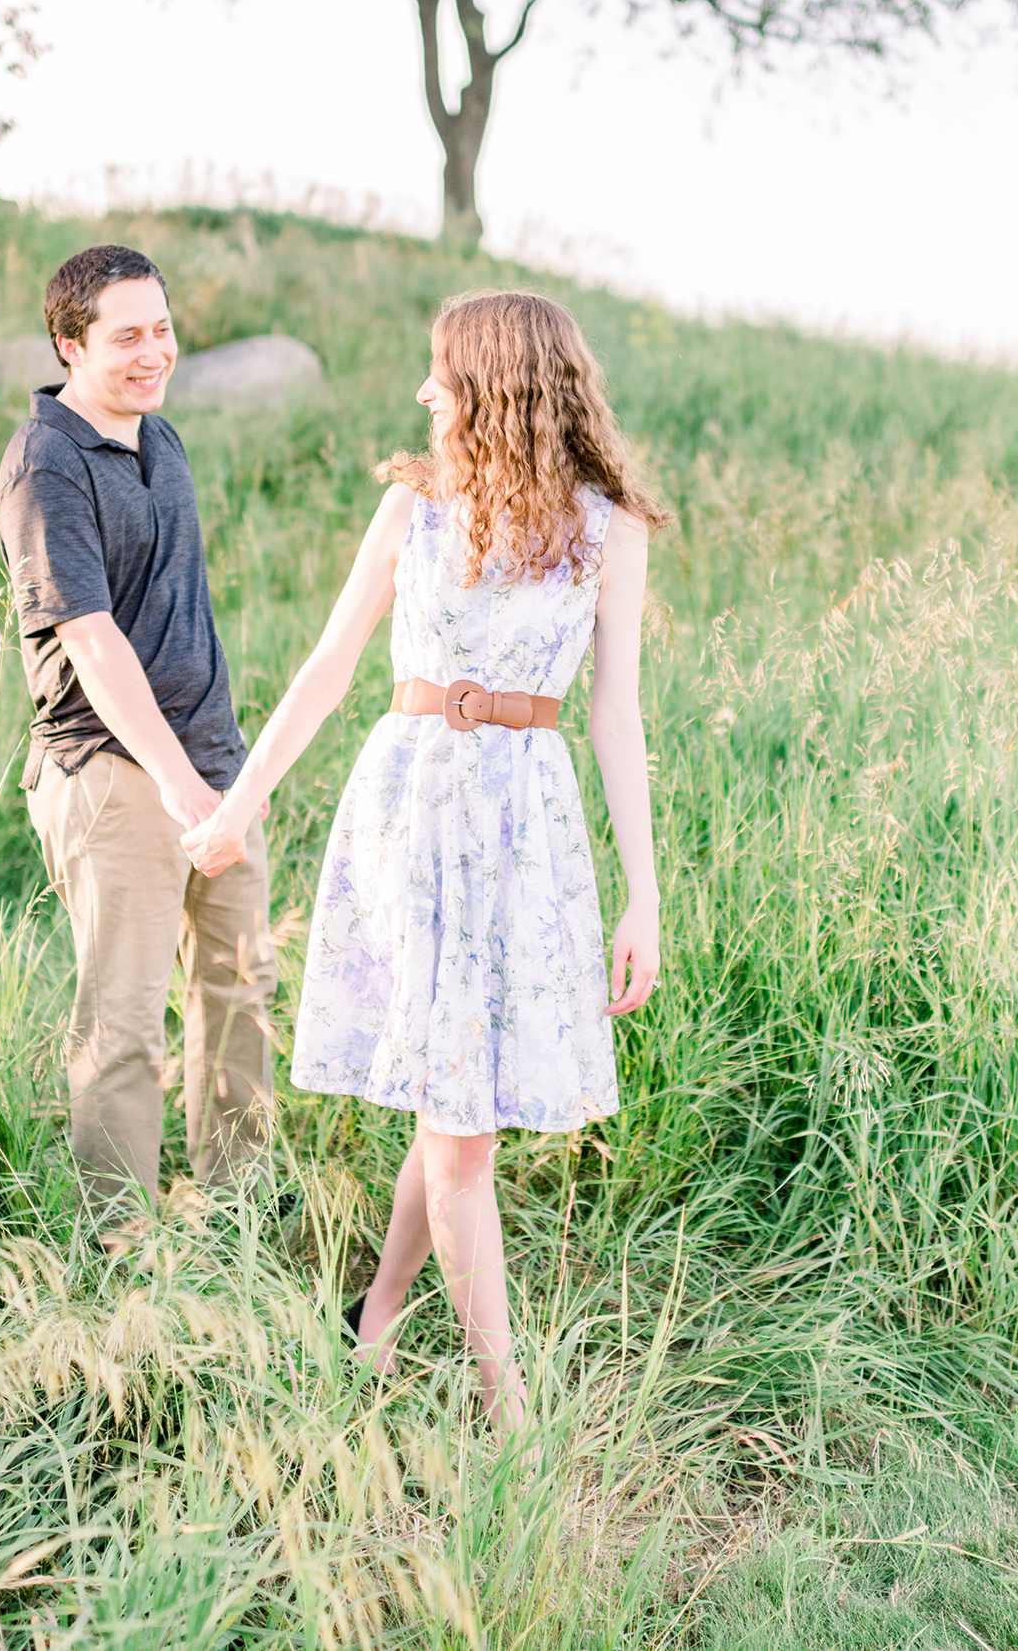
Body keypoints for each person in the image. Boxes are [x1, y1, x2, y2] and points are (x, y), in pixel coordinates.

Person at [183, 289, 667, 1430]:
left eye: (439, 375)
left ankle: (378, 1323)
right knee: (456, 1129)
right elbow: (325, 671)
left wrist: (643, 896)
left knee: (461, 1109)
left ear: (497, 387)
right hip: (409, 816)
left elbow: (617, 714)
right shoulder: (414, 515)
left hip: (524, 830)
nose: (421, 394)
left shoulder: (609, 528)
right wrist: (238, 807)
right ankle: (510, 1418)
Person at [0, 243, 275, 1222]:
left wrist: (231, 770)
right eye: (125, 336)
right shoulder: (46, 464)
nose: (152, 352)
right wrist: (176, 782)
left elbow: (180, 609)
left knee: (238, 995)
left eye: (160, 329)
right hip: (115, 775)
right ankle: (122, 1249)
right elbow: (91, 637)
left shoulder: (161, 439)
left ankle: (237, 1211)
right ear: (70, 344)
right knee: (123, 1024)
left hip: (211, 764)